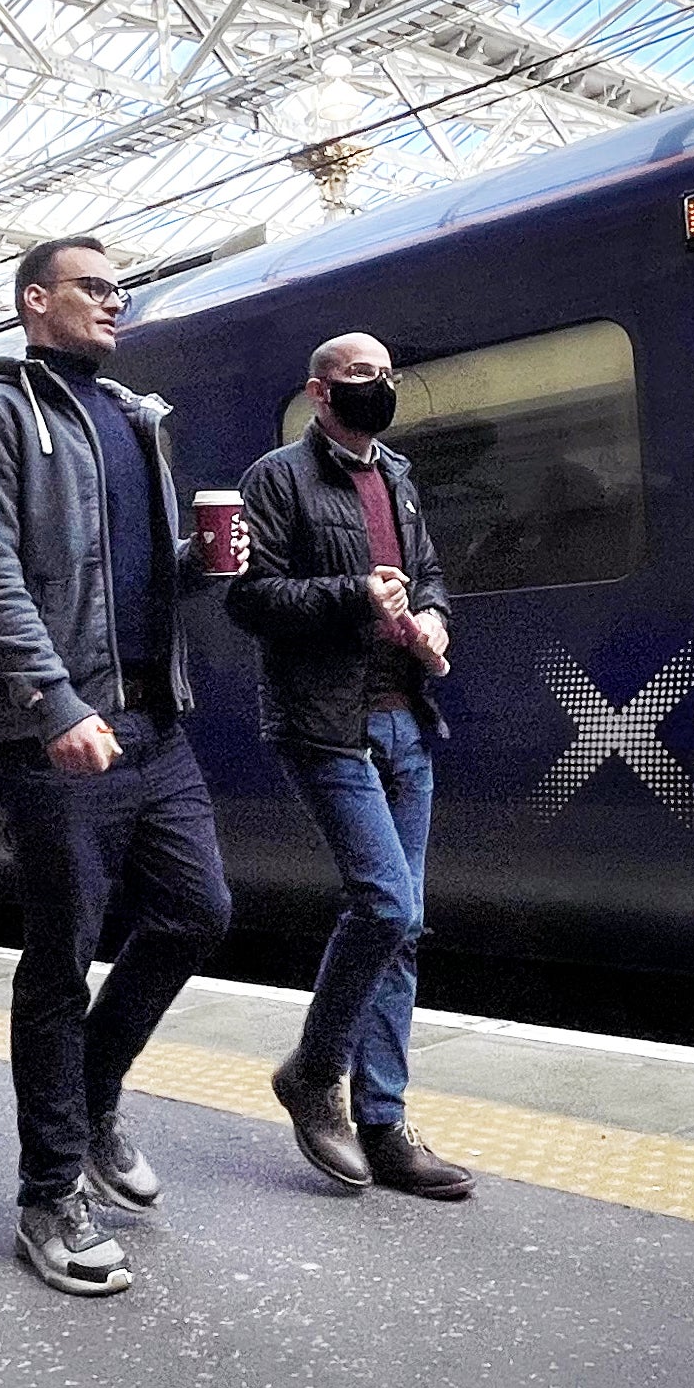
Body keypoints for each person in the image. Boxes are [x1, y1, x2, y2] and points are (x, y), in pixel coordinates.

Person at [0, 236, 246, 1298]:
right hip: (56, 737)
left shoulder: (131, 417)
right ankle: (46, 1192)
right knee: (60, 957)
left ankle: (95, 1091)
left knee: (198, 911)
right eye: (94, 286)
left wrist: (200, 572)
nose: (117, 300)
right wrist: (55, 700)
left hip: (155, 726)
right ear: (36, 301)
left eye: (122, 286)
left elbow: (128, 578)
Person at [227, 333, 472, 1201]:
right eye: (360, 377)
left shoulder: (397, 478)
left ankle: (385, 1122)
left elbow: (432, 576)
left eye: (386, 377)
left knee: (404, 928)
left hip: (406, 718)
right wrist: (352, 595)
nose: (378, 388)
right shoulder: (277, 479)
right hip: (326, 726)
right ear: (319, 390)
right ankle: (313, 1071)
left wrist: (432, 620)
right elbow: (249, 599)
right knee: (385, 901)